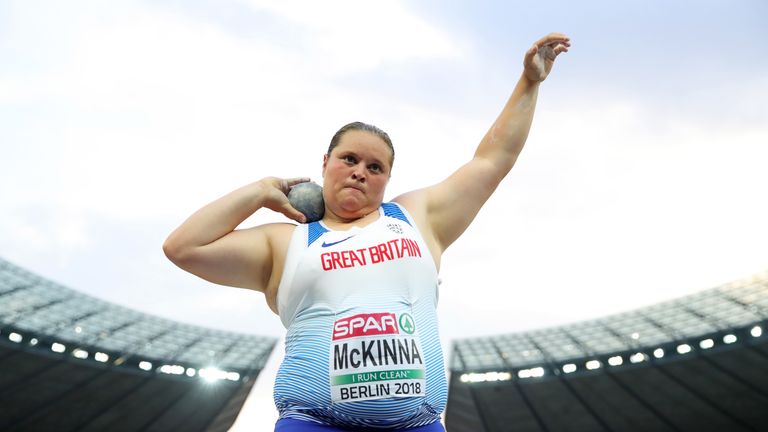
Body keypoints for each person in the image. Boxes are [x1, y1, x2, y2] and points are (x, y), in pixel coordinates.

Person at [163, 33, 570, 432]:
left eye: (375, 167)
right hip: (313, 423)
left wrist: (529, 82)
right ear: (324, 163)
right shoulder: (285, 242)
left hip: (417, 426)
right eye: (349, 159)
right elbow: (183, 247)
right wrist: (257, 192)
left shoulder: (418, 218)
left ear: (387, 179)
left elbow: (492, 159)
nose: (360, 171)